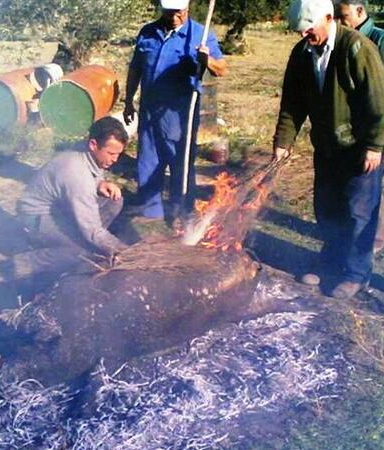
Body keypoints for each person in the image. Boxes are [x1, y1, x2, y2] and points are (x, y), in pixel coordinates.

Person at [273, 0, 384, 299]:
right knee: (328, 209)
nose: (304, 36)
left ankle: (356, 274)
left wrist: (375, 145)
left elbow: (381, 100)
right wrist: (283, 142)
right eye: (300, 31)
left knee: (358, 214)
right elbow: (292, 104)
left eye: (308, 29)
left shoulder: (357, 48)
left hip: (359, 149)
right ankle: (330, 263)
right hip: (327, 148)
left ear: (329, 18)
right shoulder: (301, 54)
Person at [123, 0, 226, 224]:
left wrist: (207, 60)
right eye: (168, 12)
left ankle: (182, 209)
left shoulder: (200, 34)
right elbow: (135, 68)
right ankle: (151, 211)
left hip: (179, 112)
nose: (173, 17)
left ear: (187, 9)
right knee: (148, 159)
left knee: (180, 160)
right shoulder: (148, 32)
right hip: (149, 109)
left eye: (178, 13)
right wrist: (129, 100)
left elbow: (221, 69)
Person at [12, 116, 129, 278]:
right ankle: (25, 263)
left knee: (114, 200)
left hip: (59, 208)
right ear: (93, 145)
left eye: (118, 154)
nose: (115, 159)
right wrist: (125, 251)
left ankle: (78, 241)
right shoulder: (77, 175)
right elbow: (92, 230)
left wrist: (100, 183)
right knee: (82, 250)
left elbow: (91, 179)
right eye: (110, 153)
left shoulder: (86, 153)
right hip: (35, 217)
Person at [334, 0, 384, 253]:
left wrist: (381, 133)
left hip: (380, 126)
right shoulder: (346, 39)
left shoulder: (381, 41)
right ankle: (349, 235)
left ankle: (373, 241)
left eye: (344, 16)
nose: (340, 22)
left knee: (373, 183)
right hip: (353, 127)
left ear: (359, 11)